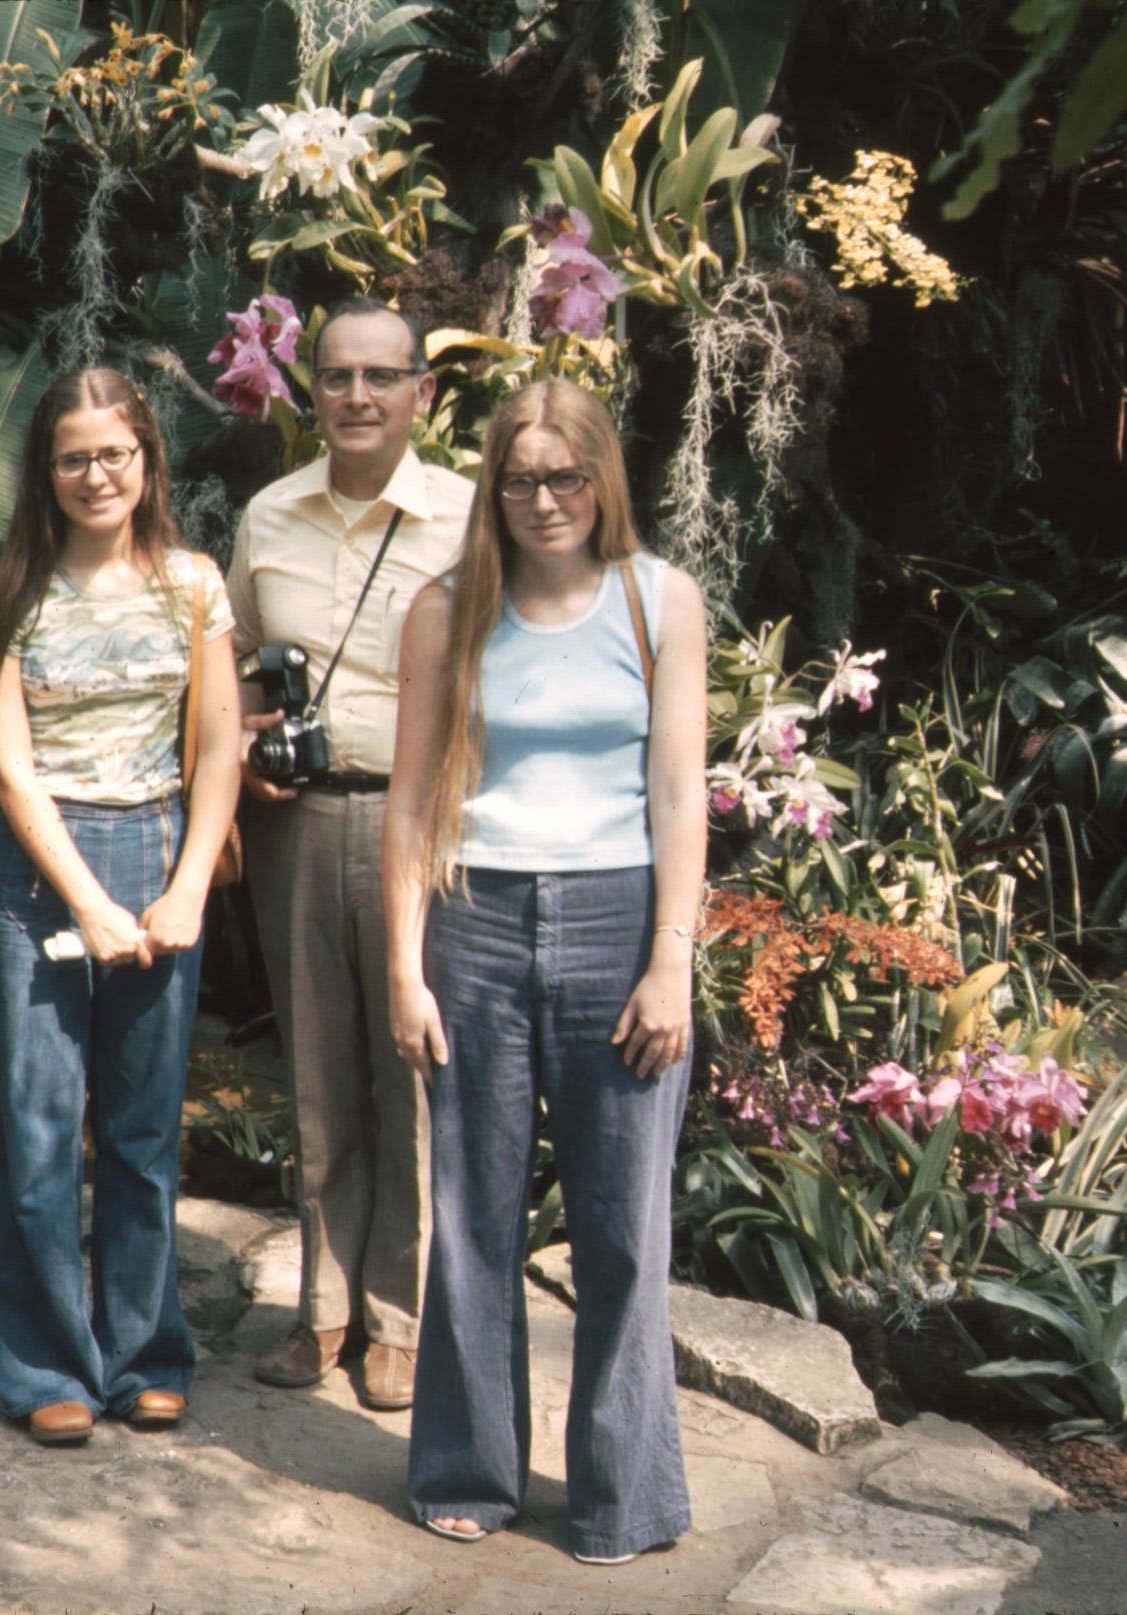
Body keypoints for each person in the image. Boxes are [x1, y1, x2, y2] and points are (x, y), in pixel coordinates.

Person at [382, 378, 706, 1563]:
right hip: (472, 918)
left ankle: (624, 1493)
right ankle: (470, 1464)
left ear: (603, 479)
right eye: (520, 478)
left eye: (566, 475)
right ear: (493, 488)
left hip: (619, 921)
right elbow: (411, 802)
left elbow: (678, 792)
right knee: (472, 1212)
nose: (543, 499)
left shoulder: (656, 599)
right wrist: (402, 970)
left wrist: (671, 960)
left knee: (622, 1225)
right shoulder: (447, 609)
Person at [0, 366, 243, 1444]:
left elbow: (218, 744)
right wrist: (85, 895)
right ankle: (44, 1370)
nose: (95, 474)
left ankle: (145, 1353)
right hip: (39, 872)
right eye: (73, 456)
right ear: (46, 470)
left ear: (146, 460)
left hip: (160, 850)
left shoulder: (192, 585)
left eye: (113, 453)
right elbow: (9, 766)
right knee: (36, 1127)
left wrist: (183, 889)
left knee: (138, 1129)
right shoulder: (8, 598)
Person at [227, 298, 474, 1409]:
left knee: (412, 1070)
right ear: (308, 390)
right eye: (336, 377)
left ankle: (400, 1317)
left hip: (424, 823)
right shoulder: (269, 516)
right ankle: (321, 1308)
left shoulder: (473, 519)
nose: (359, 397)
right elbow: (231, 664)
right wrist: (241, 746)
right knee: (318, 1069)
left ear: (422, 391)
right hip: (297, 819)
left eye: (383, 377)